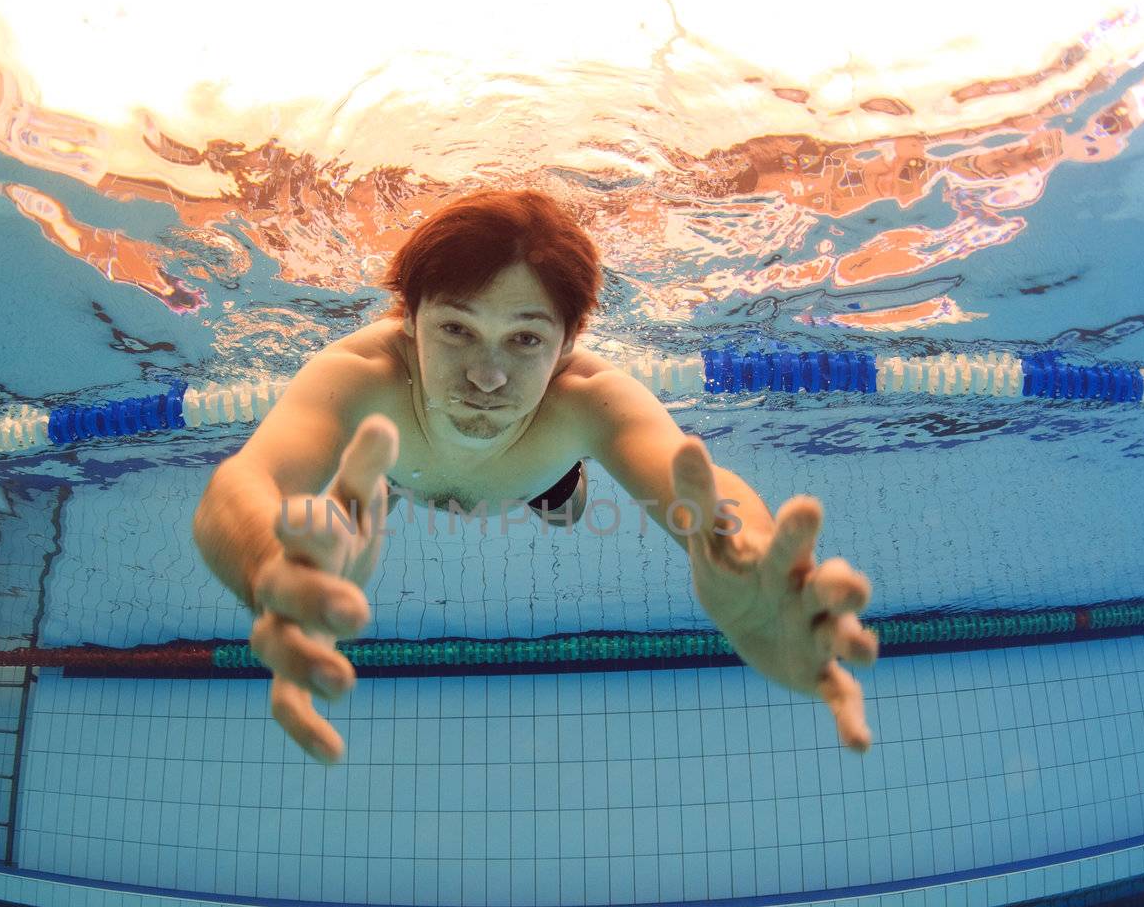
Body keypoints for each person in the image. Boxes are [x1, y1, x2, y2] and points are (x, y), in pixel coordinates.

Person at [193, 190, 878, 764]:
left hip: (540, 479)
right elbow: (244, 482)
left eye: (525, 340)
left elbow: (697, 486)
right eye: (457, 330)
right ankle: (383, 494)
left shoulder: (589, 398)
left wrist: (746, 555)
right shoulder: (360, 379)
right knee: (367, 498)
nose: (487, 377)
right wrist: (267, 562)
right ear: (409, 321)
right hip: (398, 469)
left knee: (564, 504)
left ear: (568, 345)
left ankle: (550, 486)